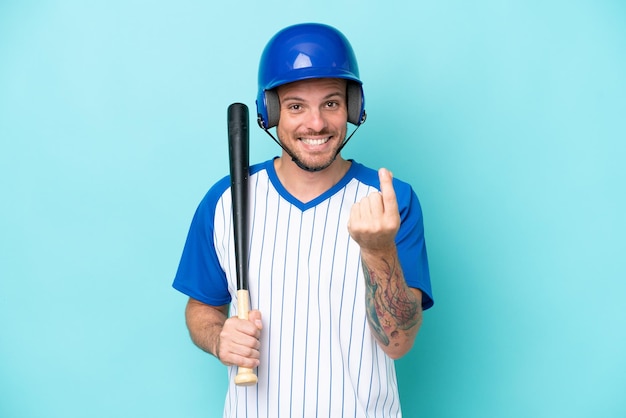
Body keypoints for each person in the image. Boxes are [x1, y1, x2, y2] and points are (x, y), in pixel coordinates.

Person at [173, 22, 434, 417]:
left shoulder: (391, 203)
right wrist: (218, 338)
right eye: (296, 106)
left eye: (330, 103)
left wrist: (378, 249)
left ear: (353, 107)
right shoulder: (225, 200)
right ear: (271, 112)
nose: (316, 124)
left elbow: (398, 343)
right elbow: (202, 309)